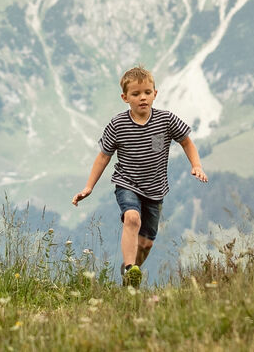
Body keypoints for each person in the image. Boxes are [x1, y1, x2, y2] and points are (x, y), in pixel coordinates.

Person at [72, 65, 208, 287]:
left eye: (147, 92)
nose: (142, 97)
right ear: (125, 97)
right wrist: (89, 187)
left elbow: (186, 142)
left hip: (155, 190)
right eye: (136, 94)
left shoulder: (166, 120)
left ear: (155, 93)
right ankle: (129, 268)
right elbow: (103, 157)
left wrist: (197, 166)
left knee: (145, 244)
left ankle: (130, 278)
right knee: (132, 218)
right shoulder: (118, 124)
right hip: (127, 183)